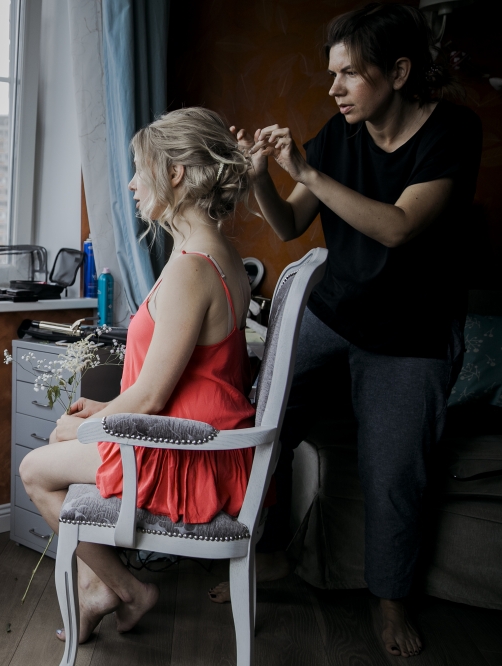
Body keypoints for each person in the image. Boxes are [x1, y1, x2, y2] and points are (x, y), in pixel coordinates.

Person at [213, 3, 483, 658]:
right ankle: (271, 550)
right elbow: (287, 225)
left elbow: (398, 226)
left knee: (393, 472)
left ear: (399, 72)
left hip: (412, 334)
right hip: (333, 311)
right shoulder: (341, 133)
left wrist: (307, 170)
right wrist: (263, 179)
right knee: (264, 421)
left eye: (349, 74)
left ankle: (390, 599)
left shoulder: (453, 131)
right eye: (331, 73)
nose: (333, 88)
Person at [19, 106, 257, 644]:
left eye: (139, 169)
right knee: (61, 445)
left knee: (35, 469)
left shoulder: (192, 267)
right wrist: (104, 413)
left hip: (188, 453)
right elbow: (170, 381)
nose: (131, 183)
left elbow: (149, 398)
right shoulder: (214, 252)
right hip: (196, 436)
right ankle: (100, 589)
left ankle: (123, 589)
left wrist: (89, 428)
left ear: (174, 172)